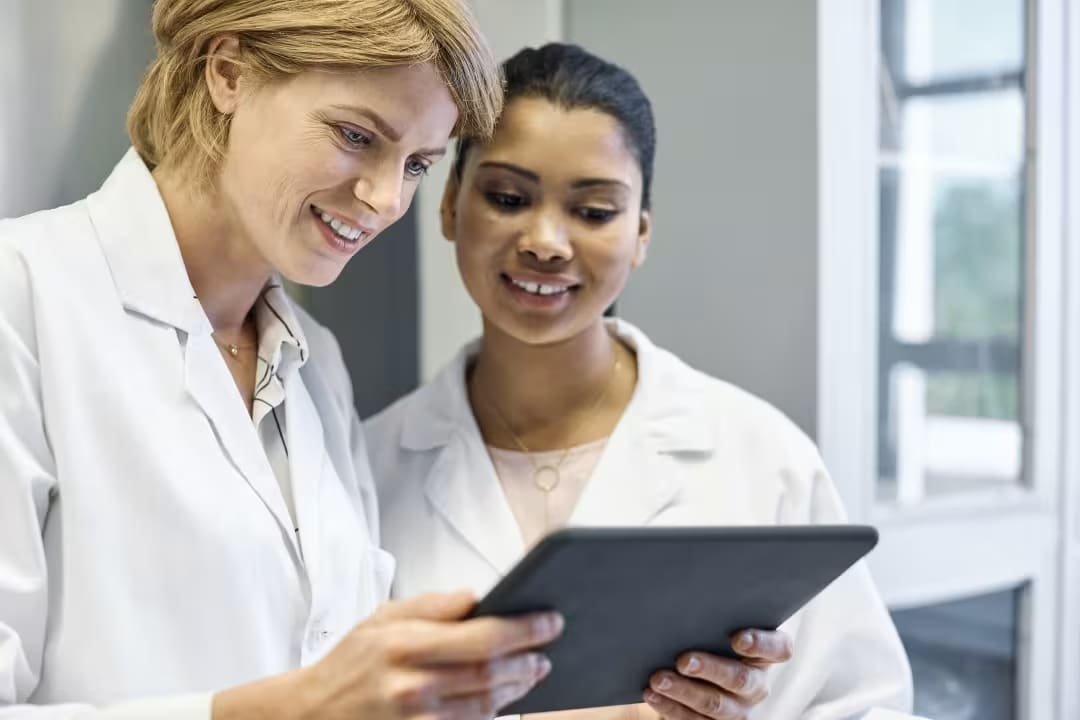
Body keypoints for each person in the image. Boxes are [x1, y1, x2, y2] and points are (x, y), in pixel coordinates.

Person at [0, 2, 564, 718]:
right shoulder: (21, 299)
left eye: (418, 163)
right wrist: (289, 707)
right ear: (229, 72)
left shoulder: (314, 367)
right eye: (357, 136)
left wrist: (633, 710)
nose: (386, 198)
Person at [365, 43, 914, 720]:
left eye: (594, 212)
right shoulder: (364, 470)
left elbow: (868, 706)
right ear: (450, 205)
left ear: (641, 234)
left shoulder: (760, 458)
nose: (546, 241)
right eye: (508, 197)